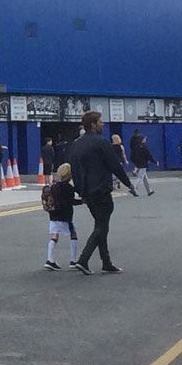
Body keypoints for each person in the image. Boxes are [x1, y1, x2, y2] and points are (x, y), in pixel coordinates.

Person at [67, 110, 135, 275]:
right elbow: (114, 165)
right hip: (101, 190)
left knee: (100, 224)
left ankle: (106, 262)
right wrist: (129, 184)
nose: (103, 124)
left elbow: (74, 169)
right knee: (102, 226)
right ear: (93, 124)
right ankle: (83, 259)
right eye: (100, 122)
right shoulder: (101, 142)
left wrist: (80, 190)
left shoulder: (76, 144)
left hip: (87, 192)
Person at [41, 162, 79, 269]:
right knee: (73, 235)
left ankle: (50, 259)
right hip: (66, 217)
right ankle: (73, 261)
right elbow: (71, 201)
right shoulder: (69, 188)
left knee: (54, 236)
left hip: (53, 215)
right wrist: (83, 201)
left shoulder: (54, 186)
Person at [128, 130, 154, 197]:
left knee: (145, 177)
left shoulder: (135, 147)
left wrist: (135, 162)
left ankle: (149, 190)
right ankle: (134, 188)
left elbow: (132, 156)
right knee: (140, 177)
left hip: (138, 163)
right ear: (142, 139)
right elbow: (148, 155)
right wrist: (155, 161)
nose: (145, 140)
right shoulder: (143, 146)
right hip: (143, 164)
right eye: (145, 138)